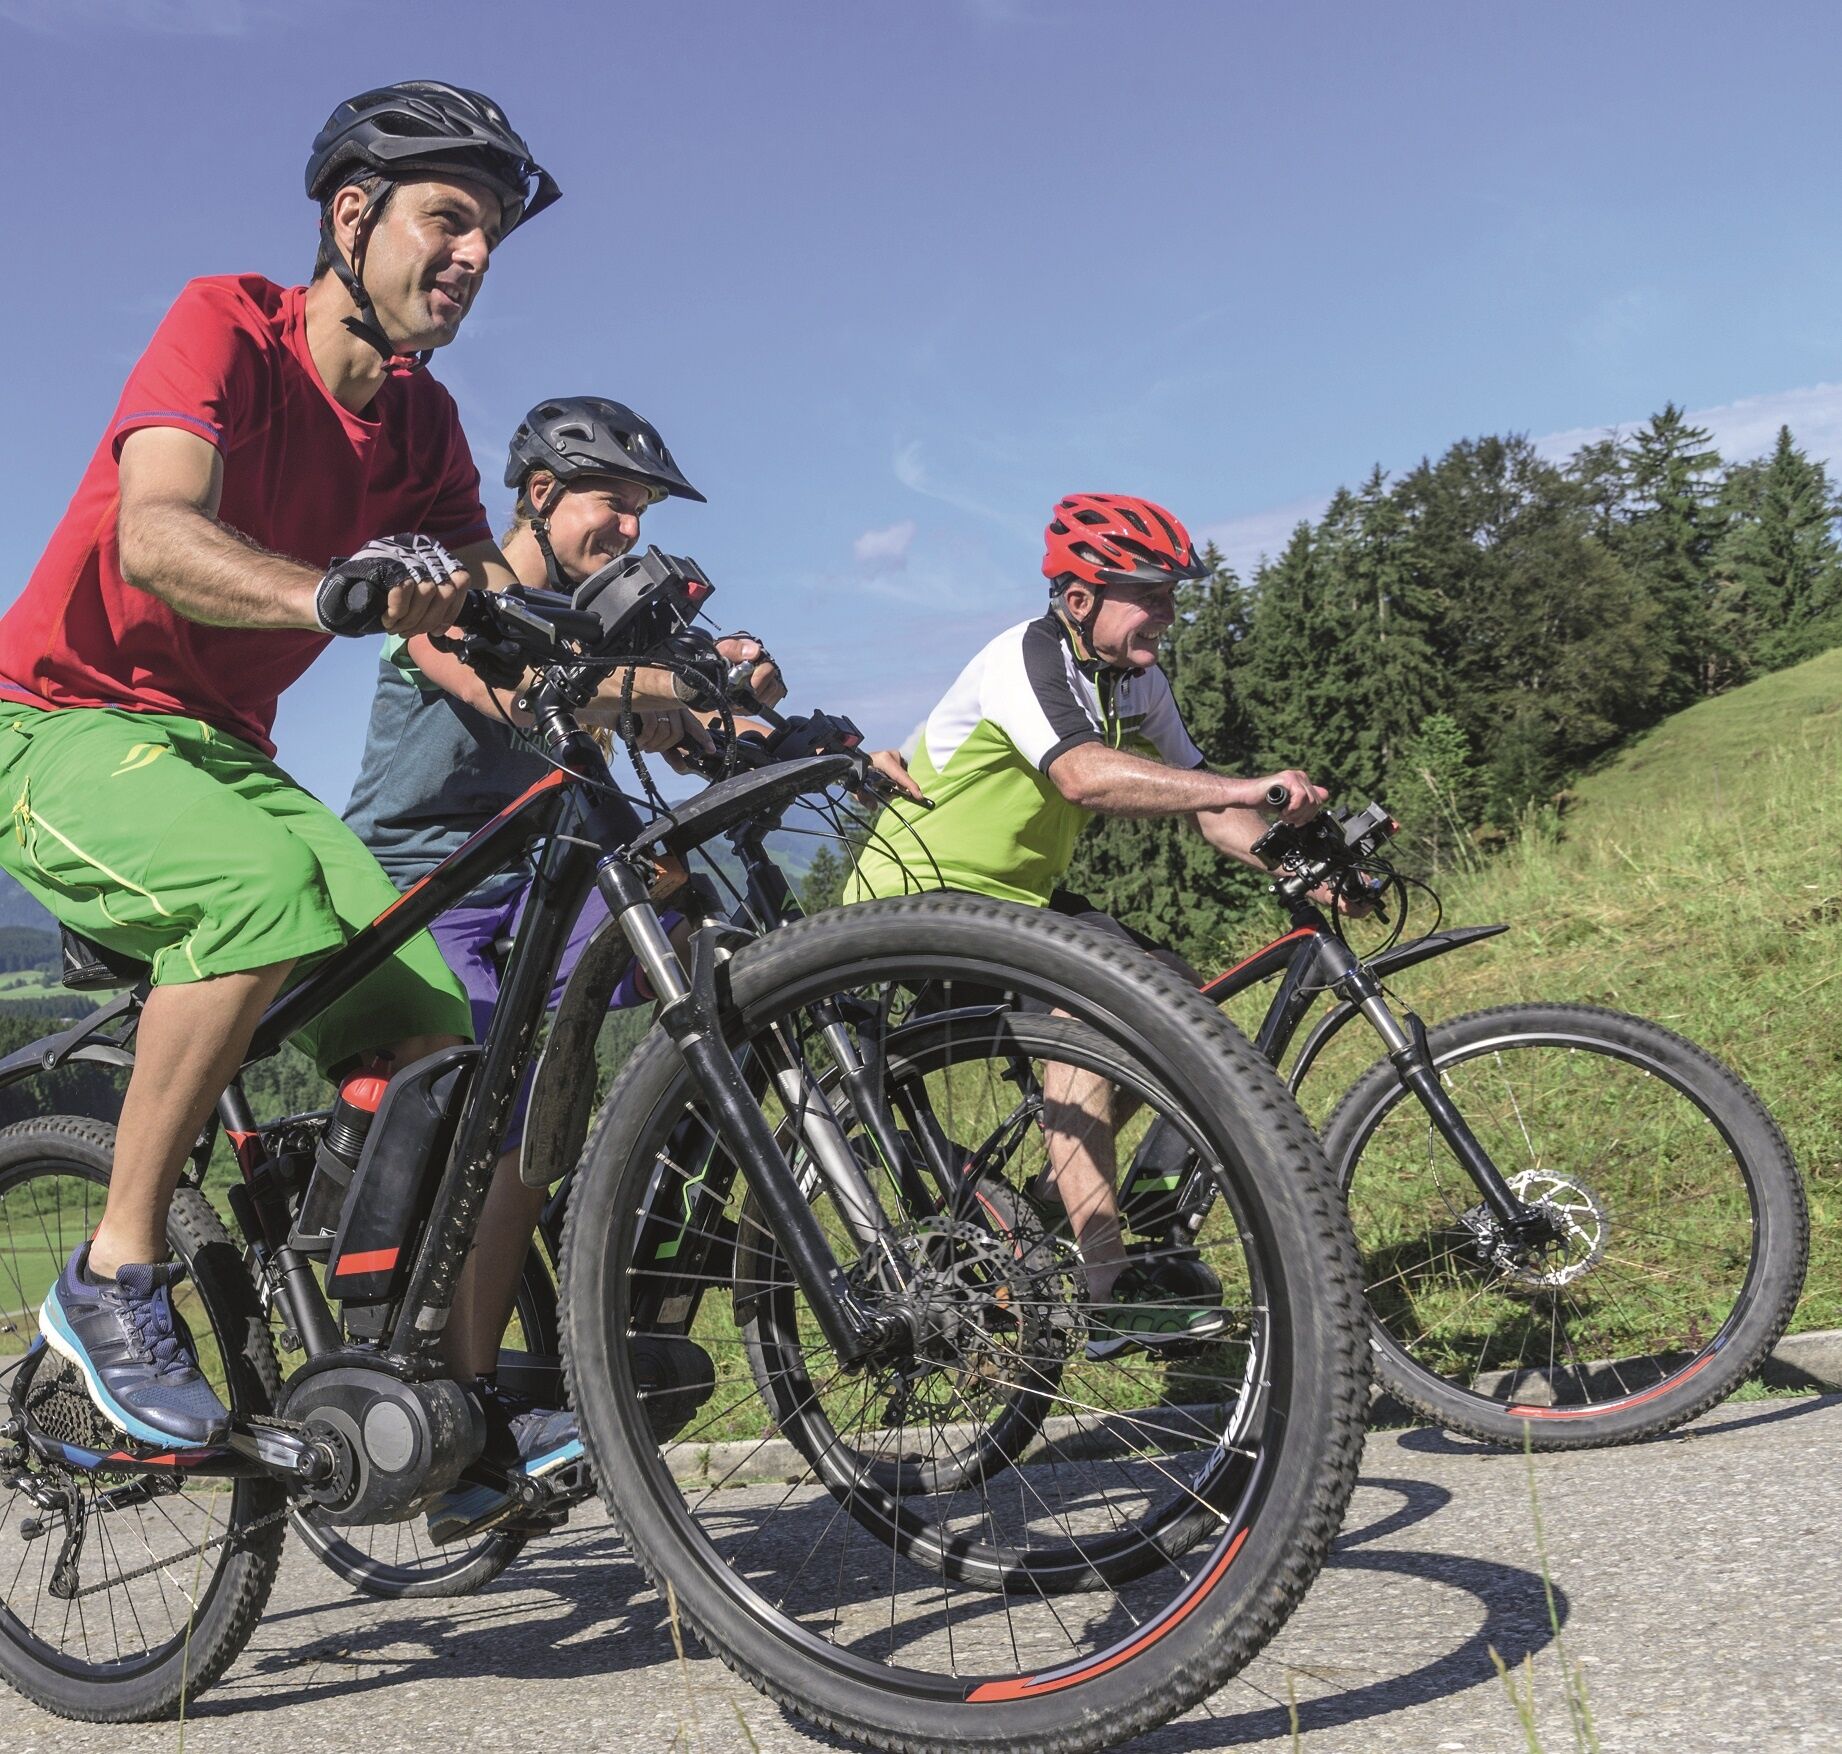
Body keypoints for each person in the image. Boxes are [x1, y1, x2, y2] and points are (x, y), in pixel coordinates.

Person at [1, 82, 557, 1464]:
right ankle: (111, 1277)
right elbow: (153, 534)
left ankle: (419, 1403)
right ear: (352, 216)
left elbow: (485, 607)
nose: (474, 255)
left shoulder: (422, 424)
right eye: (449, 219)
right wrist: (331, 592)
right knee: (253, 895)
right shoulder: (227, 327)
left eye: (489, 236)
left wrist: (640, 674)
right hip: (54, 720)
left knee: (432, 1026)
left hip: (226, 751)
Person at [342, 395, 783, 1539]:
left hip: (542, 868)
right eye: (612, 504)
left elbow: (654, 723)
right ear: (539, 493)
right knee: (500, 1118)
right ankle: (472, 1409)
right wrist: (672, 688)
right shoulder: (456, 593)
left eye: (641, 512)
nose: (629, 529)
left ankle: (631, 1242)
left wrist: (737, 717)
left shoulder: (590, 619)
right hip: (425, 881)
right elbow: (522, 690)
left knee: (700, 940)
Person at [848, 492, 1331, 1354]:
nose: (1168, 613)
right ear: (1080, 599)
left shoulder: (1136, 679)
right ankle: (1106, 1292)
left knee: (1176, 994)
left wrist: (1309, 872)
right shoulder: (1022, 658)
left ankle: (1088, 1202)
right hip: (914, 903)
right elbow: (1084, 777)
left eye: (1173, 595)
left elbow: (1213, 809)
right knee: (1084, 1013)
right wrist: (1246, 785)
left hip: (1015, 905)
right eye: (1150, 596)